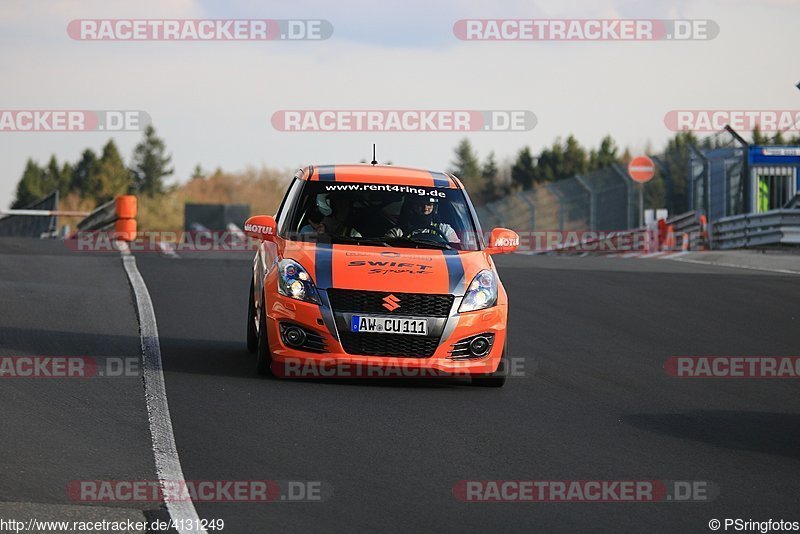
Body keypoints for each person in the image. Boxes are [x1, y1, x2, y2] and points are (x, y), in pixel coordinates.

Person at [385, 196, 459, 243]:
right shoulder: (398, 233)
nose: (425, 208)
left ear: (434, 208)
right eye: (420, 204)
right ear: (411, 207)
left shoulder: (445, 230)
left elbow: (456, 252)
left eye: (429, 205)